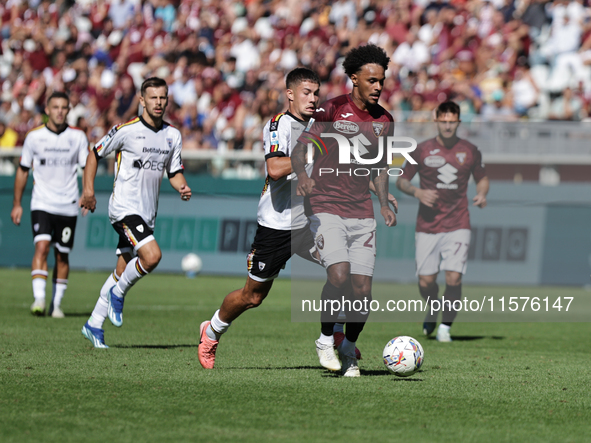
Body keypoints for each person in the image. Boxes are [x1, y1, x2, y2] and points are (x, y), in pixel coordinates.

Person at [198, 67, 321, 369]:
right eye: (307, 92)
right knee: (252, 297)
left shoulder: (321, 125)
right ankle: (211, 332)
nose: (313, 98)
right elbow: (275, 170)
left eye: (316, 93)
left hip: (309, 222)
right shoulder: (278, 126)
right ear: (290, 94)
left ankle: (337, 340)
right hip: (276, 226)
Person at [292, 44, 397, 377]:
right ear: (354, 79)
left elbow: (379, 168)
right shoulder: (332, 109)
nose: (378, 86)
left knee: (362, 289)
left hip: (361, 210)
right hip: (325, 206)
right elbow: (300, 150)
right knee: (338, 275)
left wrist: (383, 201)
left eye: (381, 80)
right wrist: (305, 176)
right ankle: (325, 339)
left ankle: (348, 348)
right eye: (371, 80)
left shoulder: (385, 121)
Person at [79, 77, 192, 348]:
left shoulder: (172, 135)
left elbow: (174, 172)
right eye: (153, 98)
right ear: (142, 100)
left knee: (122, 269)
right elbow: (94, 153)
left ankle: (93, 323)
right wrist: (89, 192)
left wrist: (182, 187)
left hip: (146, 213)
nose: (159, 103)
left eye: (163, 98)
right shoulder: (126, 130)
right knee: (152, 256)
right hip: (123, 209)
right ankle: (118, 295)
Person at [396, 101, 489, 342]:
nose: (448, 126)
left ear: (459, 122)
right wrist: (417, 193)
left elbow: (482, 178)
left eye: (452, 122)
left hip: (458, 222)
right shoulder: (422, 150)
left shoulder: (470, 150)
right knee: (426, 282)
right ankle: (433, 306)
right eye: (443, 121)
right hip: (427, 225)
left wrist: (481, 193)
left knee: (454, 278)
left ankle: (446, 327)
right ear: (436, 121)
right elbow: (402, 181)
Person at [11, 91, 89, 317]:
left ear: (69, 110)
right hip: (42, 202)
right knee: (42, 247)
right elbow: (23, 170)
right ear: (47, 110)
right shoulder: (34, 137)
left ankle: (56, 304)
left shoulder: (78, 137)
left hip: (68, 203)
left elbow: (87, 168)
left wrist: (87, 193)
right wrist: (17, 203)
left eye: (64, 107)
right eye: (55, 107)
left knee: (62, 255)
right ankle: (39, 299)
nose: (60, 112)